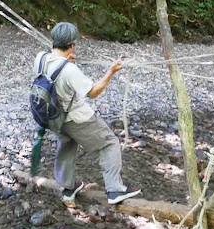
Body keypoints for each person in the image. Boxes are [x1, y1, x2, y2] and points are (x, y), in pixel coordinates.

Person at [33, 22, 141, 205]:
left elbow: (55, 72)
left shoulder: (41, 58)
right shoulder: (69, 70)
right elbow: (93, 92)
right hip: (76, 118)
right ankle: (115, 190)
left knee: (67, 143)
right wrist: (111, 72)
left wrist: (66, 60)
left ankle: (68, 189)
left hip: (51, 116)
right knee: (109, 143)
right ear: (72, 45)